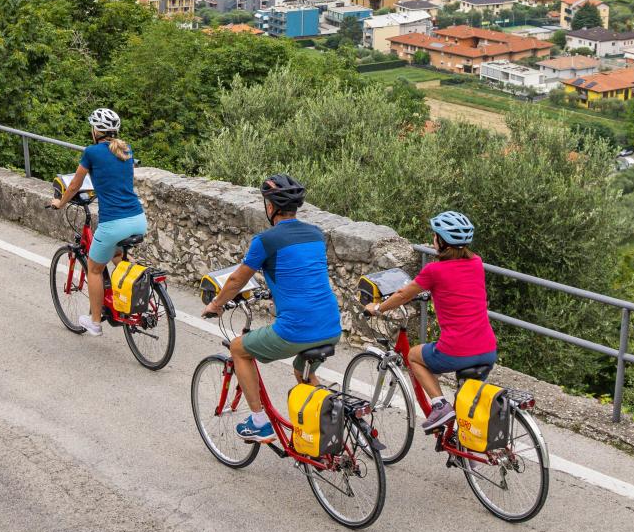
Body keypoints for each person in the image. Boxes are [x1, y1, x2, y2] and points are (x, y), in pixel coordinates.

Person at [200, 174, 343, 442]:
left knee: (238, 349)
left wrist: (216, 305)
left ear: (270, 207)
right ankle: (328, 425)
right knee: (303, 373)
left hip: (295, 330)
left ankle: (259, 422)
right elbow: (299, 273)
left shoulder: (265, 241)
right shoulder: (316, 234)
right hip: (331, 326)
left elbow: (236, 280)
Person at [363, 211, 496, 431]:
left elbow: (404, 294)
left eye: (435, 236)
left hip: (456, 351)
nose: (433, 239)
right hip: (487, 348)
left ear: (442, 242)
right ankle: (463, 448)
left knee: (414, 356)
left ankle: (439, 405)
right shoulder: (476, 262)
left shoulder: (434, 270)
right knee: (467, 402)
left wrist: (377, 308)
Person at [48, 108, 147, 336]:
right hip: (138, 218)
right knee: (117, 255)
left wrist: (60, 203)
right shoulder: (126, 149)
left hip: (114, 222)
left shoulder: (92, 152)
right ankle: (130, 294)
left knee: (94, 268)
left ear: (96, 131)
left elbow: (74, 185)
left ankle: (94, 322)